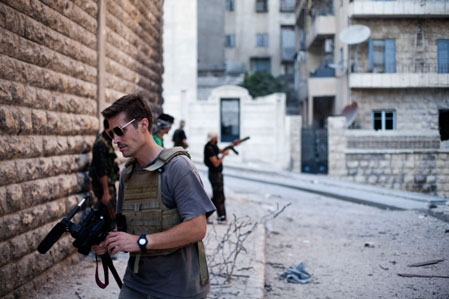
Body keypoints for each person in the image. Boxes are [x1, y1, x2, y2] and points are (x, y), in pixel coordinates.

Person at [93, 94, 215, 299]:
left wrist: (141, 241)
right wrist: (109, 242)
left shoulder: (178, 168)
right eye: (112, 133)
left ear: (143, 124)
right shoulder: (127, 174)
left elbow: (197, 227)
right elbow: (127, 228)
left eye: (119, 131)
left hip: (178, 288)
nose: (115, 140)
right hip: (137, 283)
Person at [203, 132, 240, 224]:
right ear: (214, 138)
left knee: (219, 196)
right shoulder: (209, 148)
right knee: (217, 196)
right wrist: (224, 156)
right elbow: (216, 163)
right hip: (214, 175)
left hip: (217, 174)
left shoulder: (213, 146)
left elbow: (220, 150)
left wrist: (232, 145)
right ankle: (207, 215)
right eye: (217, 137)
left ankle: (221, 216)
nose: (218, 138)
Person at [88, 119, 120, 216]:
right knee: (109, 217)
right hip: (104, 188)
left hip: (109, 186)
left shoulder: (108, 140)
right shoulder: (101, 143)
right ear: (109, 126)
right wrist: (106, 192)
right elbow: (102, 170)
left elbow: (110, 163)